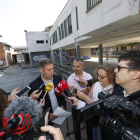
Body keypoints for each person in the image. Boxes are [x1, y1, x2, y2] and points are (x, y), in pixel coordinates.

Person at [28, 58, 66, 139]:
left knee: (61, 135)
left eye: (53, 69)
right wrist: (47, 115)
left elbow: (63, 94)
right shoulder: (34, 85)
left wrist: (62, 106)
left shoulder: (58, 78)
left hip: (60, 114)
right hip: (46, 120)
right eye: (49, 70)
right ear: (41, 70)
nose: (52, 72)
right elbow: (33, 107)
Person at [67, 58, 93, 140]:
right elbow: (72, 92)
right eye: (74, 66)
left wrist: (79, 93)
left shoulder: (88, 76)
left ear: (82, 66)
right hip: (75, 106)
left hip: (87, 105)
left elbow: (90, 89)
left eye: (78, 66)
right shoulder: (70, 78)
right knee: (76, 128)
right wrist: (83, 91)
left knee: (89, 126)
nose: (75, 68)